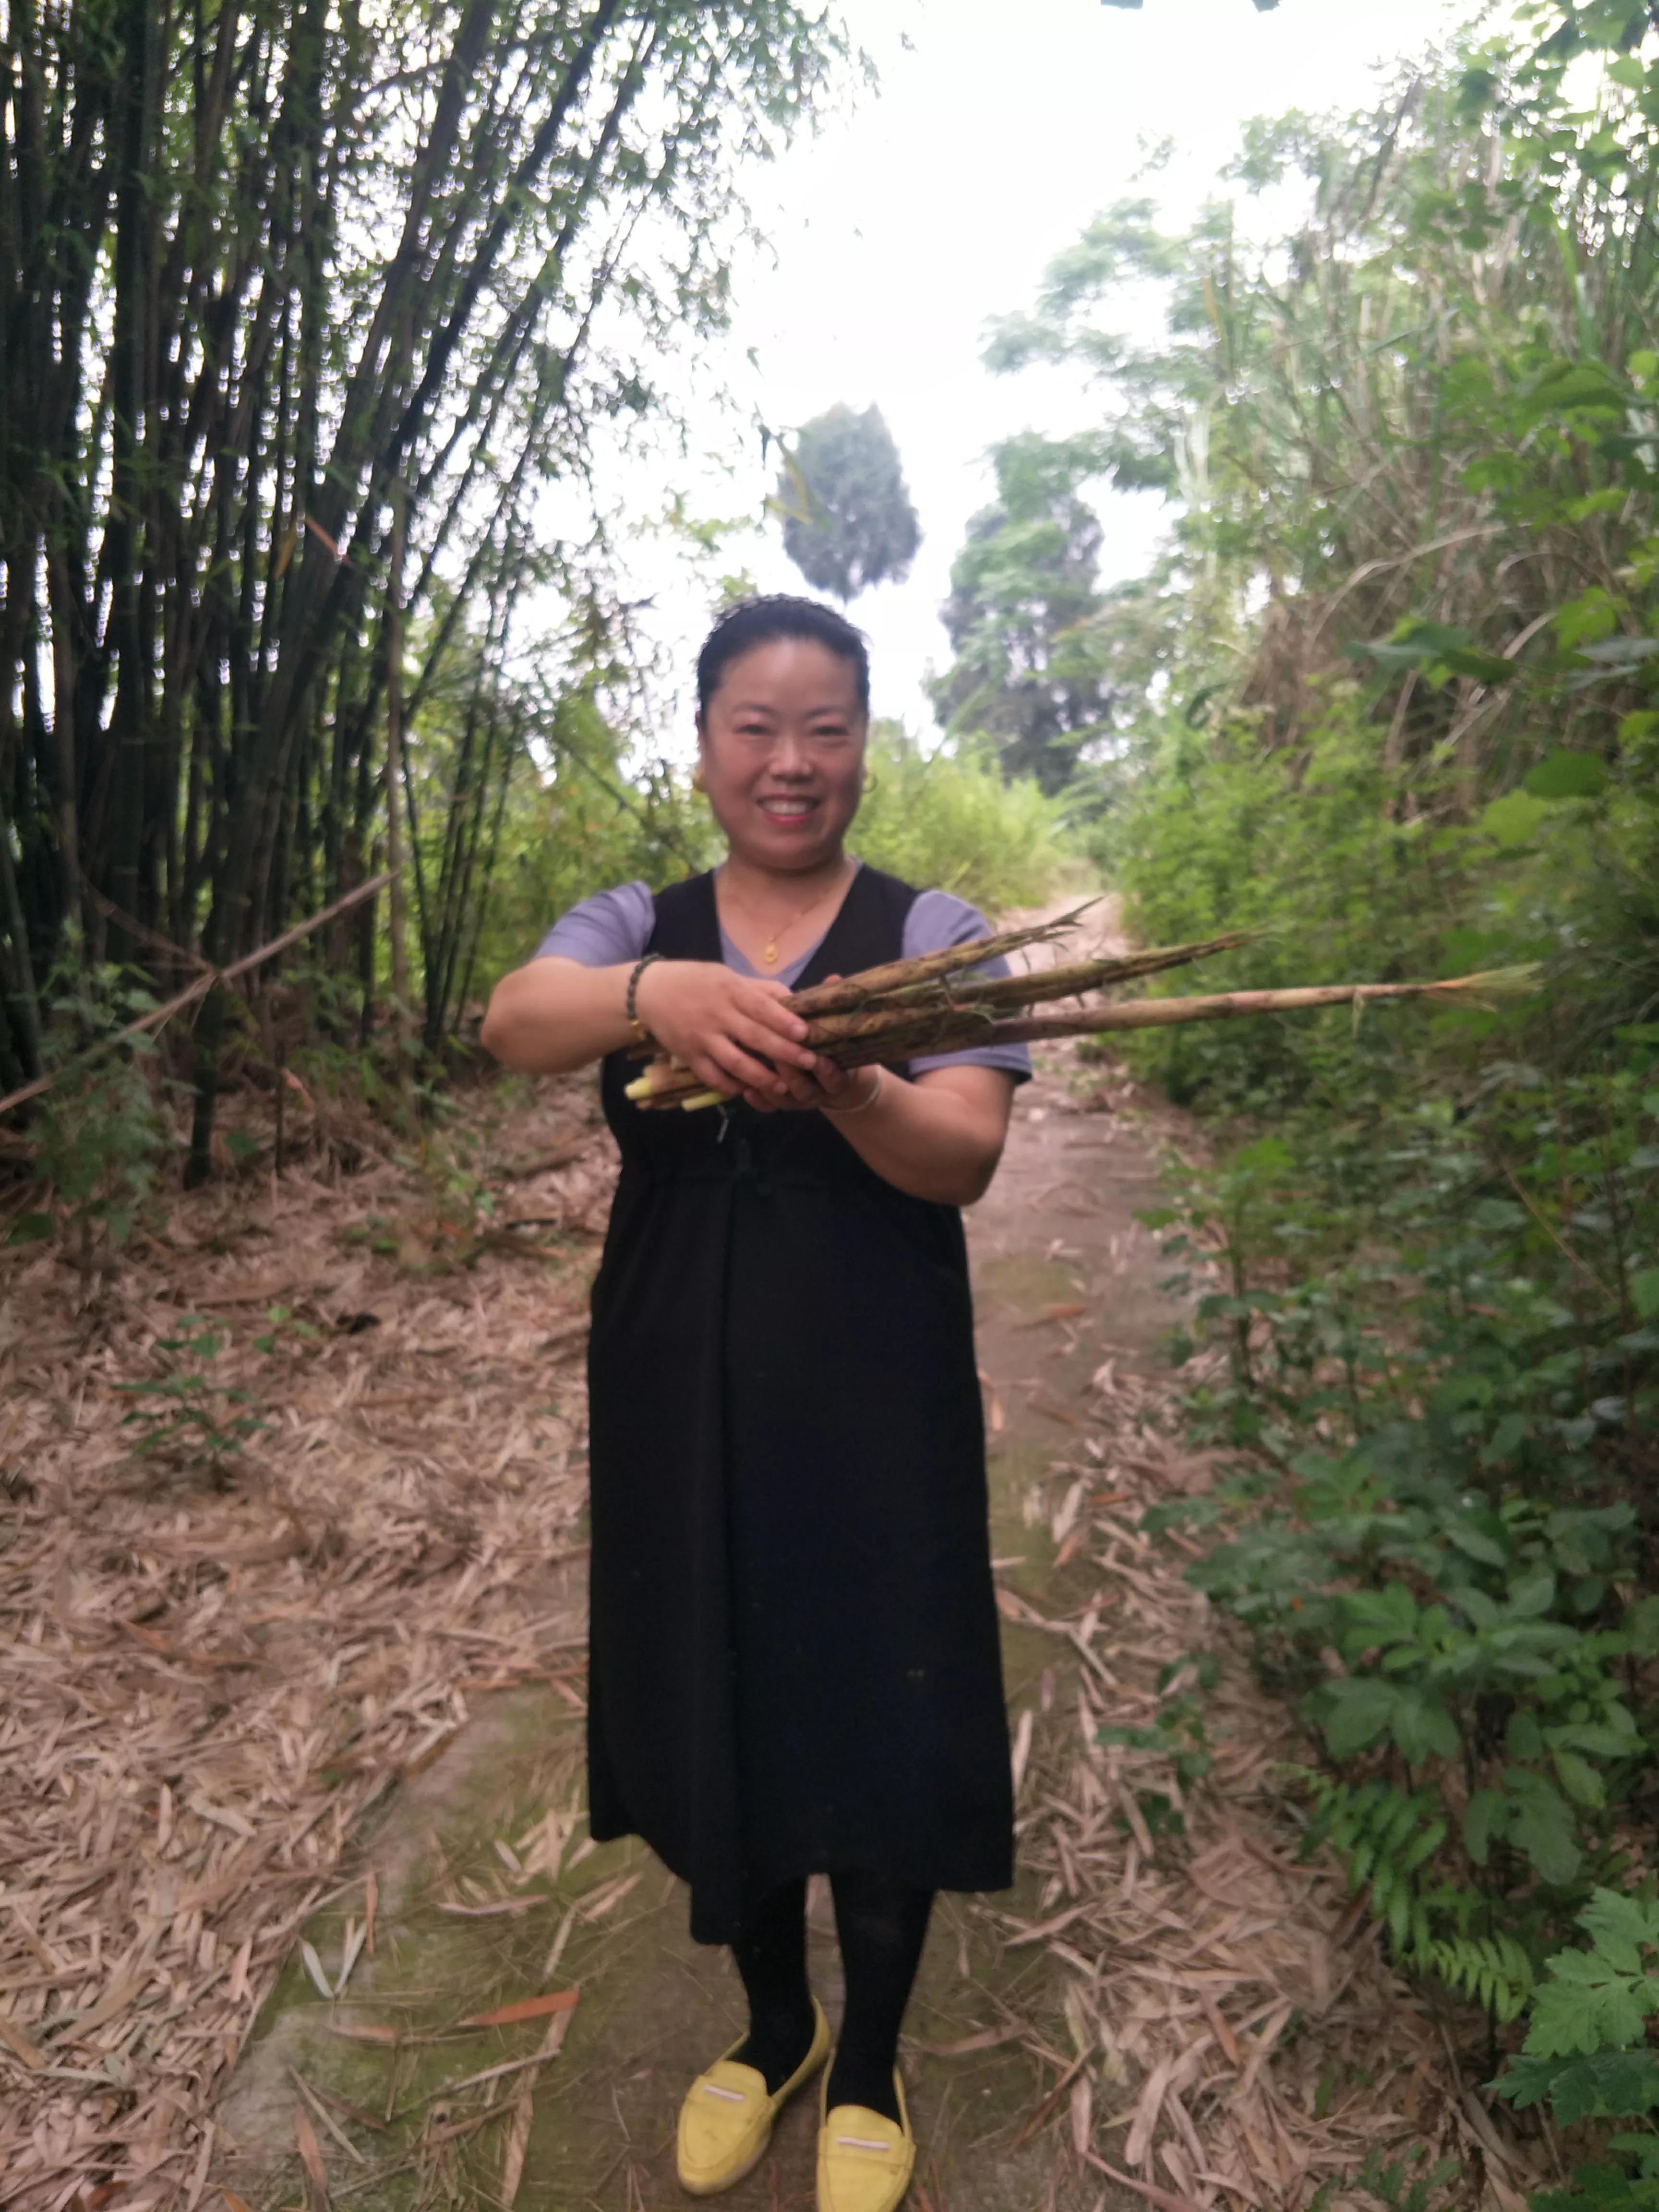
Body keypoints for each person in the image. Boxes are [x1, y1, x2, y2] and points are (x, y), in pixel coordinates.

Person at [481, 597, 1026, 2212]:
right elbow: (516, 1021)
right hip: (674, 1384)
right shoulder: (628, 921)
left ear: (865, 742)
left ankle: (871, 2065)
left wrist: (852, 1083)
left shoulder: (936, 931)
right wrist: (659, 994)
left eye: (827, 730)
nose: (792, 764)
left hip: (877, 1389)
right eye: (756, 728)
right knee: (717, 1682)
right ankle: (774, 2028)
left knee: (882, 1684)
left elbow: (968, 1156)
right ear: (707, 738)